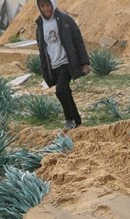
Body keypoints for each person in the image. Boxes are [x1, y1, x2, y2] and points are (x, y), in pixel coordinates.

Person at [35, 0, 89, 130]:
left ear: (53, 4)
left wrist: (85, 62)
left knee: (60, 90)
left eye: (47, 5)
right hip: (53, 65)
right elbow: (42, 51)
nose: (46, 9)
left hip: (67, 63)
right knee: (66, 92)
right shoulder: (40, 26)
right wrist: (45, 71)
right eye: (42, 6)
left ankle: (69, 119)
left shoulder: (65, 20)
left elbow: (78, 41)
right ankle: (77, 121)